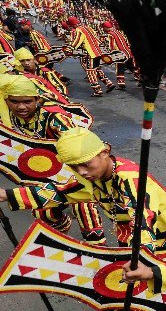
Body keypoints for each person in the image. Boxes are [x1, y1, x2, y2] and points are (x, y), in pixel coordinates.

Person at [1, 127, 166, 311]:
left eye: (86, 164)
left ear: (105, 151)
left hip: (164, 235)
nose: (82, 172)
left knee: (153, 288)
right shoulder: (91, 177)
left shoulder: (131, 180)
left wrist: (144, 263)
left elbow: (142, 221)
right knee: (110, 286)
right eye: (74, 167)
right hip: (129, 234)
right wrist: (7, 194)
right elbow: (59, 193)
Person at [0, 75, 104, 244]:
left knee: (84, 208)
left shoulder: (55, 119)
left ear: (37, 100)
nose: (21, 107)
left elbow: (79, 147)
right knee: (45, 214)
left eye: (27, 101)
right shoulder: (8, 120)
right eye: (14, 102)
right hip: (39, 176)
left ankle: (98, 252)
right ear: (6, 100)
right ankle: (60, 243)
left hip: (72, 172)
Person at [64, 16, 115, 97]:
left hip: (91, 53)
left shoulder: (79, 30)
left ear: (72, 24)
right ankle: (108, 83)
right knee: (97, 69)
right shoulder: (88, 27)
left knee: (90, 71)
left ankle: (97, 90)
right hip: (98, 51)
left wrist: (70, 49)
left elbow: (77, 41)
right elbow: (97, 38)